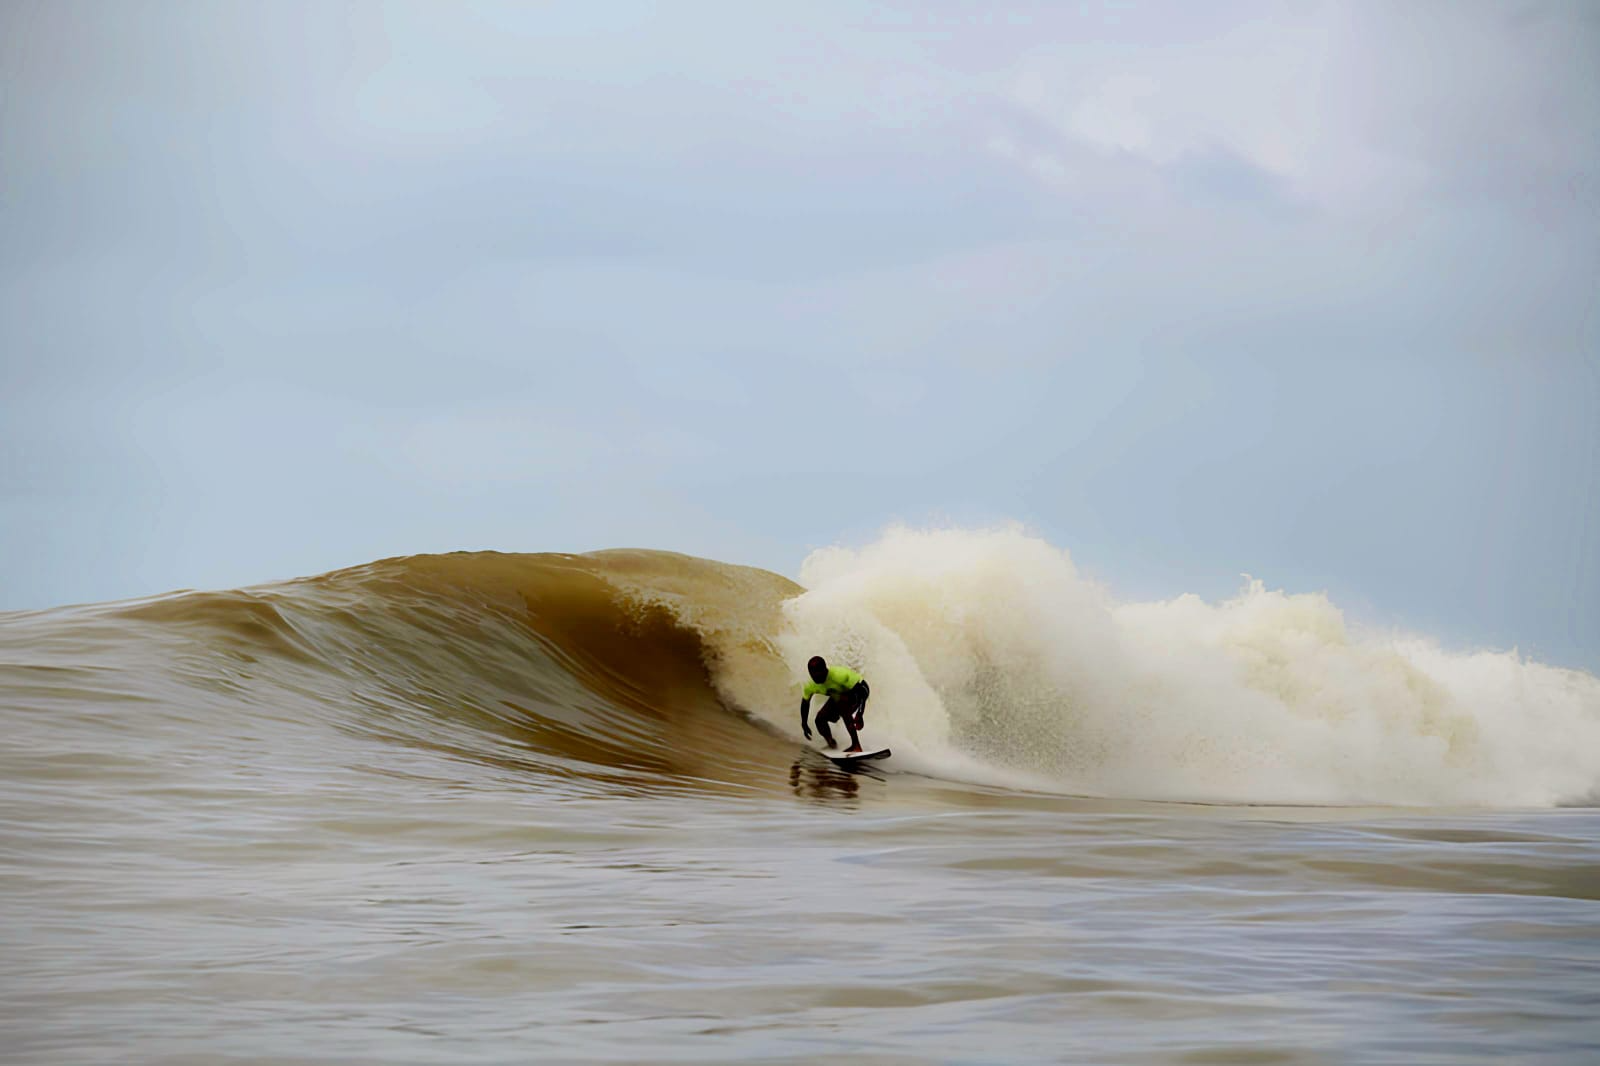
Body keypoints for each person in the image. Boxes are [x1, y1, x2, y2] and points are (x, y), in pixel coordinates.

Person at [800, 655, 871, 753]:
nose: (815, 677)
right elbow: (805, 704)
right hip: (838, 696)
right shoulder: (810, 685)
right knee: (820, 719)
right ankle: (831, 744)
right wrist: (804, 723)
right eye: (813, 674)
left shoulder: (839, 675)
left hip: (858, 691)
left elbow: (863, 691)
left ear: (825, 669)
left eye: (818, 674)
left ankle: (856, 746)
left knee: (843, 706)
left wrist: (860, 713)